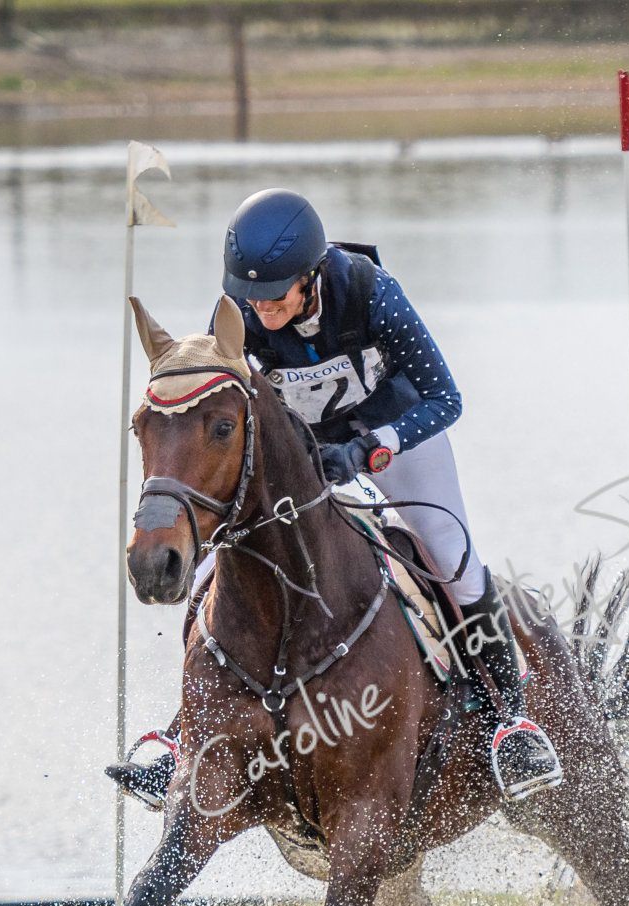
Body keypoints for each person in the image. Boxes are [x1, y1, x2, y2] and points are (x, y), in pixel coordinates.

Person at [108, 187, 563, 807]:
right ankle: (184, 738)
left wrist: (372, 447)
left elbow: (446, 401)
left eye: (276, 297)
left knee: (452, 560)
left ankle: (511, 722)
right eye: (252, 296)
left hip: (396, 436)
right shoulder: (243, 311)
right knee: (218, 563)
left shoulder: (373, 295)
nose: (262, 310)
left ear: (310, 276)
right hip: (305, 453)